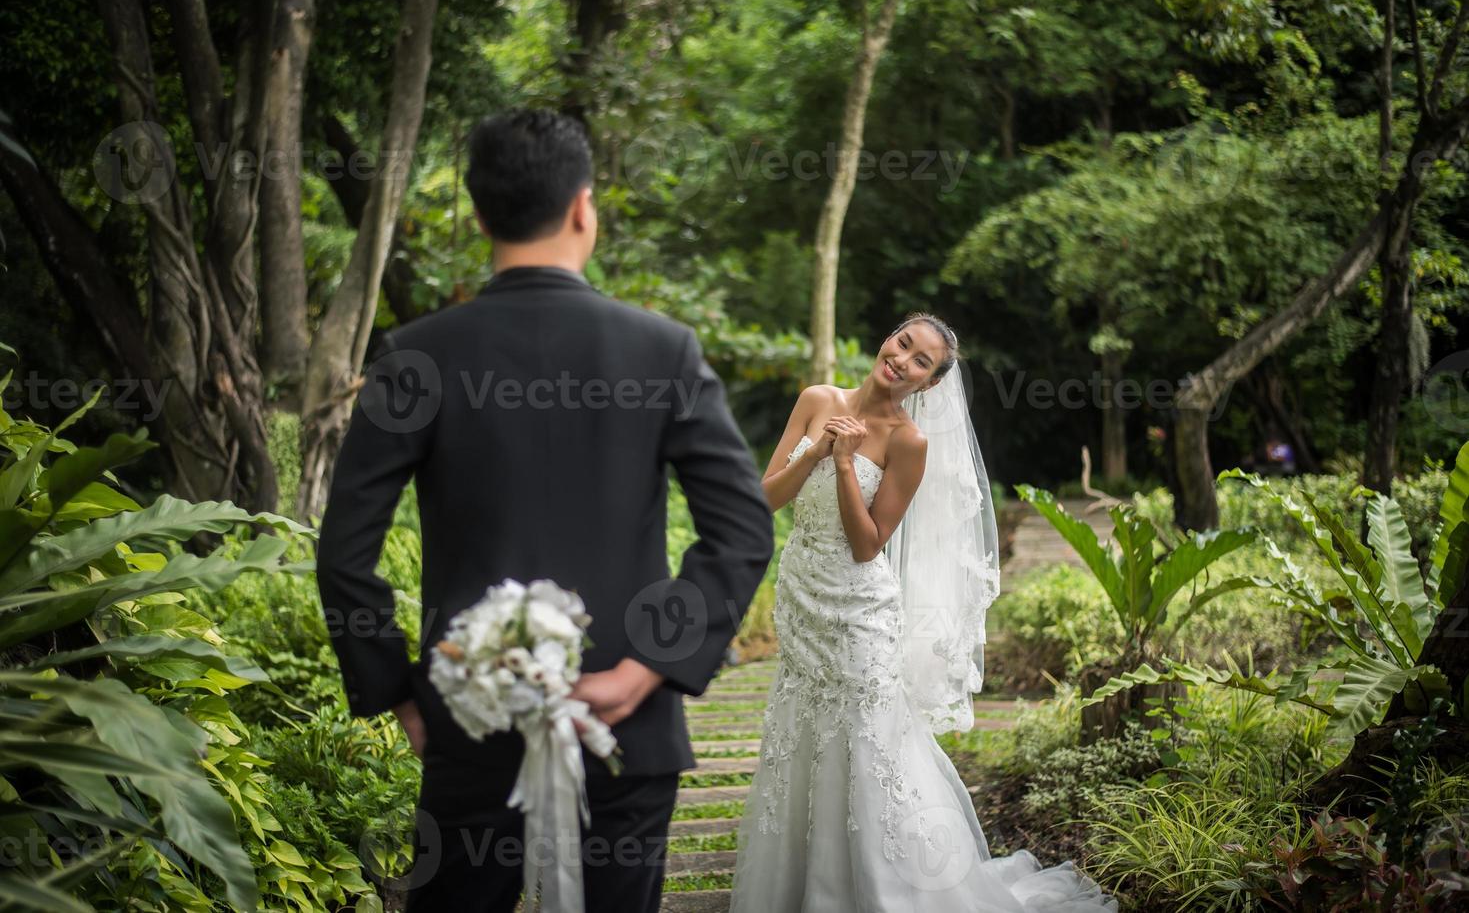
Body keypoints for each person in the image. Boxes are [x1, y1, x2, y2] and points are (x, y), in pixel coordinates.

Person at [315, 109, 774, 912]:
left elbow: (345, 550)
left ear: (480, 214)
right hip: (627, 732)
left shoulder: (417, 354)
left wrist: (401, 694)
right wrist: (645, 668)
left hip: (469, 725)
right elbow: (740, 526)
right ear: (583, 208)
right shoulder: (661, 349)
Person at [729, 313, 1116, 912]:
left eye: (920, 362)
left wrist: (843, 466)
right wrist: (819, 452)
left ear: (929, 383)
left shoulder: (909, 443)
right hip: (802, 596)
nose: (903, 360)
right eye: (903, 344)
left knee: (867, 741)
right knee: (800, 730)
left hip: (859, 611)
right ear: (888, 339)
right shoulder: (816, 400)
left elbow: (866, 545)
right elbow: (765, 498)